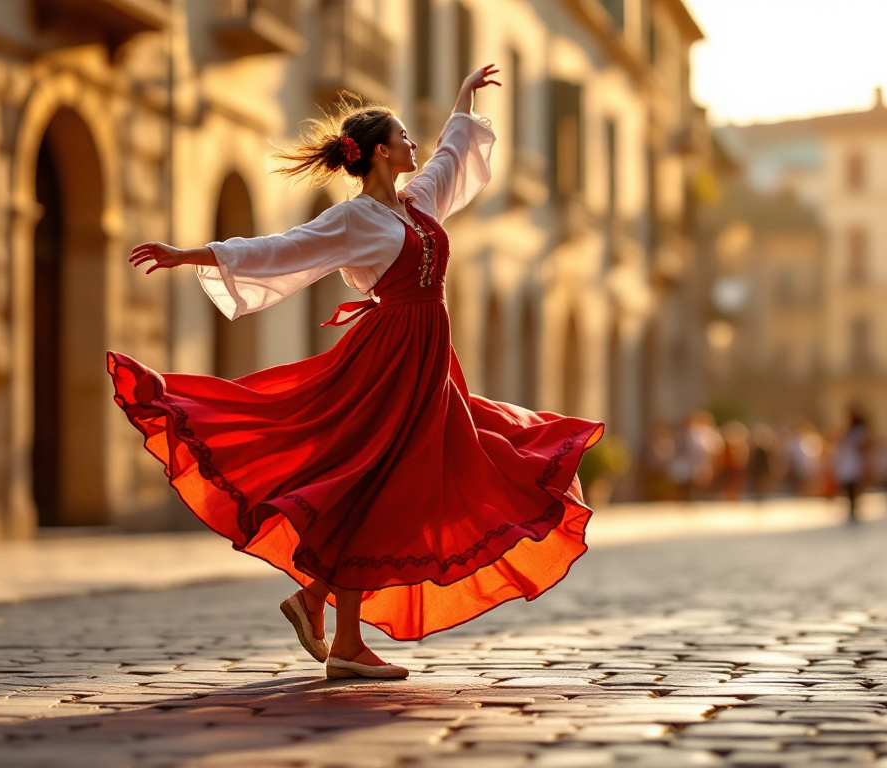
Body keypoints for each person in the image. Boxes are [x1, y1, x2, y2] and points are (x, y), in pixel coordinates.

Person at [106, 66, 604, 680]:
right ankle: (344, 642)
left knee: (422, 474)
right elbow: (281, 247)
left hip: (428, 362)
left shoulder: (417, 204)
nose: (413, 145)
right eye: (402, 137)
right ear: (377, 153)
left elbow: (450, 159)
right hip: (387, 358)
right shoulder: (353, 219)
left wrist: (462, 100)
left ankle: (317, 602)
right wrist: (191, 255)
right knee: (372, 481)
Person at [832, 406, 870, 523]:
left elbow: (864, 446)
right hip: (848, 463)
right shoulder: (847, 431)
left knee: (855, 486)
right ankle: (851, 509)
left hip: (855, 462)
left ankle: (854, 508)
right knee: (849, 487)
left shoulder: (859, 431)